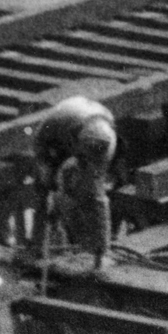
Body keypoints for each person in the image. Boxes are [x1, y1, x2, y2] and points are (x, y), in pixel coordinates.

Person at [32, 93, 119, 266]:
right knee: (45, 192)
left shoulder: (106, 131)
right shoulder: (52, 125)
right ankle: (41, 248)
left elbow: (96, 192)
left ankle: (100, 250)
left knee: (94, 194)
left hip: (87, 134)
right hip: (57, 142)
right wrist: (48, 178)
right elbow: (39, 148)